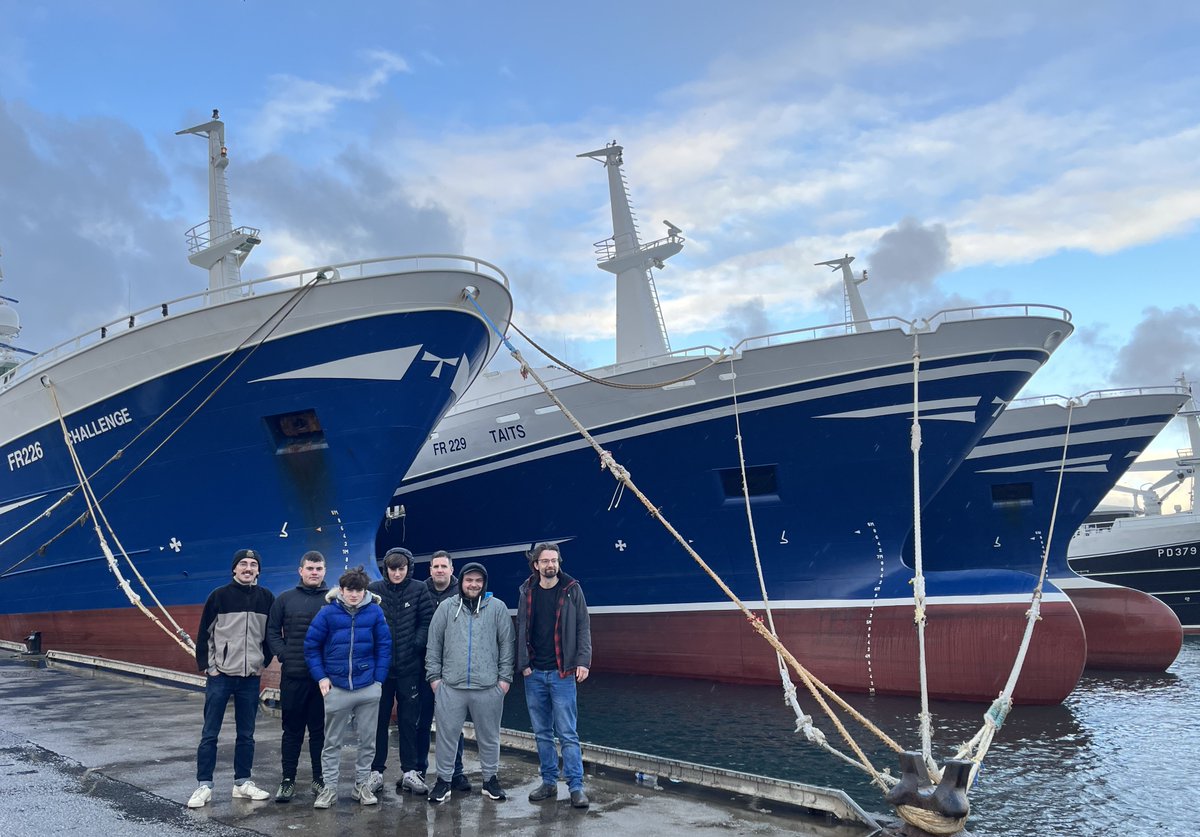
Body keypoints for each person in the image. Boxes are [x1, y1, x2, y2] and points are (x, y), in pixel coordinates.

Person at [187, 548, 276, 808]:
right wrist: (209, 667)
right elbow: (205, 634)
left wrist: (263, 662)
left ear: (258, 570)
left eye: (253, 565)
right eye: (243, 564)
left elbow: (271, 634)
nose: (248, 568)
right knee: (210, 734)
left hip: (250, 677)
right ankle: (204, 785)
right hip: (221, 676)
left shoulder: (266, 597)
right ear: (234, 569)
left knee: (246, 734)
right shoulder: (219, 596)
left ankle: (242, 783)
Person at [424, 562, 515, 804]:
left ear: (484, 583)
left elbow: (507, 645)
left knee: (489, 736)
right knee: (446, 736)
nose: (473, 584)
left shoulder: (498, 608)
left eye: (478, 581)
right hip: (451, 687)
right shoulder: (446, 608)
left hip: (488, 688)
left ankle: (490, 780)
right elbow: (434, 645)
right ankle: (444, 782)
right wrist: (435, 679)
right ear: (461, 582)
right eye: (469, 580)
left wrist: (504, 681)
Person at [303, 566, 391, 809]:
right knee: (332, 742)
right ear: (341, 590)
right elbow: (311, 646)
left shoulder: (374, 612)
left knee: (368, 741)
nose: (354, 595)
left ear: (365, 591)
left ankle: (361, 785)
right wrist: (321, 677)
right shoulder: (327, 613)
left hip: (367, 687)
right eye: (350, 590)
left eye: (359, 590)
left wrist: (378, 680)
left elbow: (384, 646)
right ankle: (329, 788)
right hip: (337, 687)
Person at [517, 542, 593, 809]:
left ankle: (576, 787)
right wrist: (523, 664)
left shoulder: (572, 589)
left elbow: (583, 625)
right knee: (542, 733)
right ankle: (549, 782)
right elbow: (522, 628)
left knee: (568, 733)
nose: (550, 565)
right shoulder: (527, 590)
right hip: (534, 673)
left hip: (563, 672)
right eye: (545, 561)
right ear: (536, 565)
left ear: (559, 562)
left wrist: (583, 661)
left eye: (554, 560)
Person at [365, 547, 435, 796]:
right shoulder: (373, 590)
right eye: (393, 568)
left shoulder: (419, 589)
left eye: (401, 568)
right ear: (386, 569)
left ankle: (409, 771)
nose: (397, 573)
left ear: (408, 568)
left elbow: (427, 621)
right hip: (381, 671)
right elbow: (366, 622)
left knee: (408, 721)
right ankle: (375, 771)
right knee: (379, 721)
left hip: (409, 668)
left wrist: (416, 644)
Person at [266, 550, 328, 802]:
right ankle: (288, 780)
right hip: (293, 677)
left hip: (322, 681)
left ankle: (319, 779)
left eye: (319, 568)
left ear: (324, 571)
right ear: (300, 570)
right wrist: (284, 655)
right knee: (291, 732)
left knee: (319, 732)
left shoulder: (333, 600)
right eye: (310, 568)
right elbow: (271, 631)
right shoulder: (284, 599)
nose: (314, 573)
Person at [415, 549, 469, 790]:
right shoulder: (419, 591)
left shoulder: (464, 593)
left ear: (451, 569)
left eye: (443, 567)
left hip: (454, 669)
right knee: (421, 721)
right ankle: (418, 770)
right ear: (430, 570)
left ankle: (456, 772)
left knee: (453, 723)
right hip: (422, 667)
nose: (439, 570)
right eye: (435, 566)